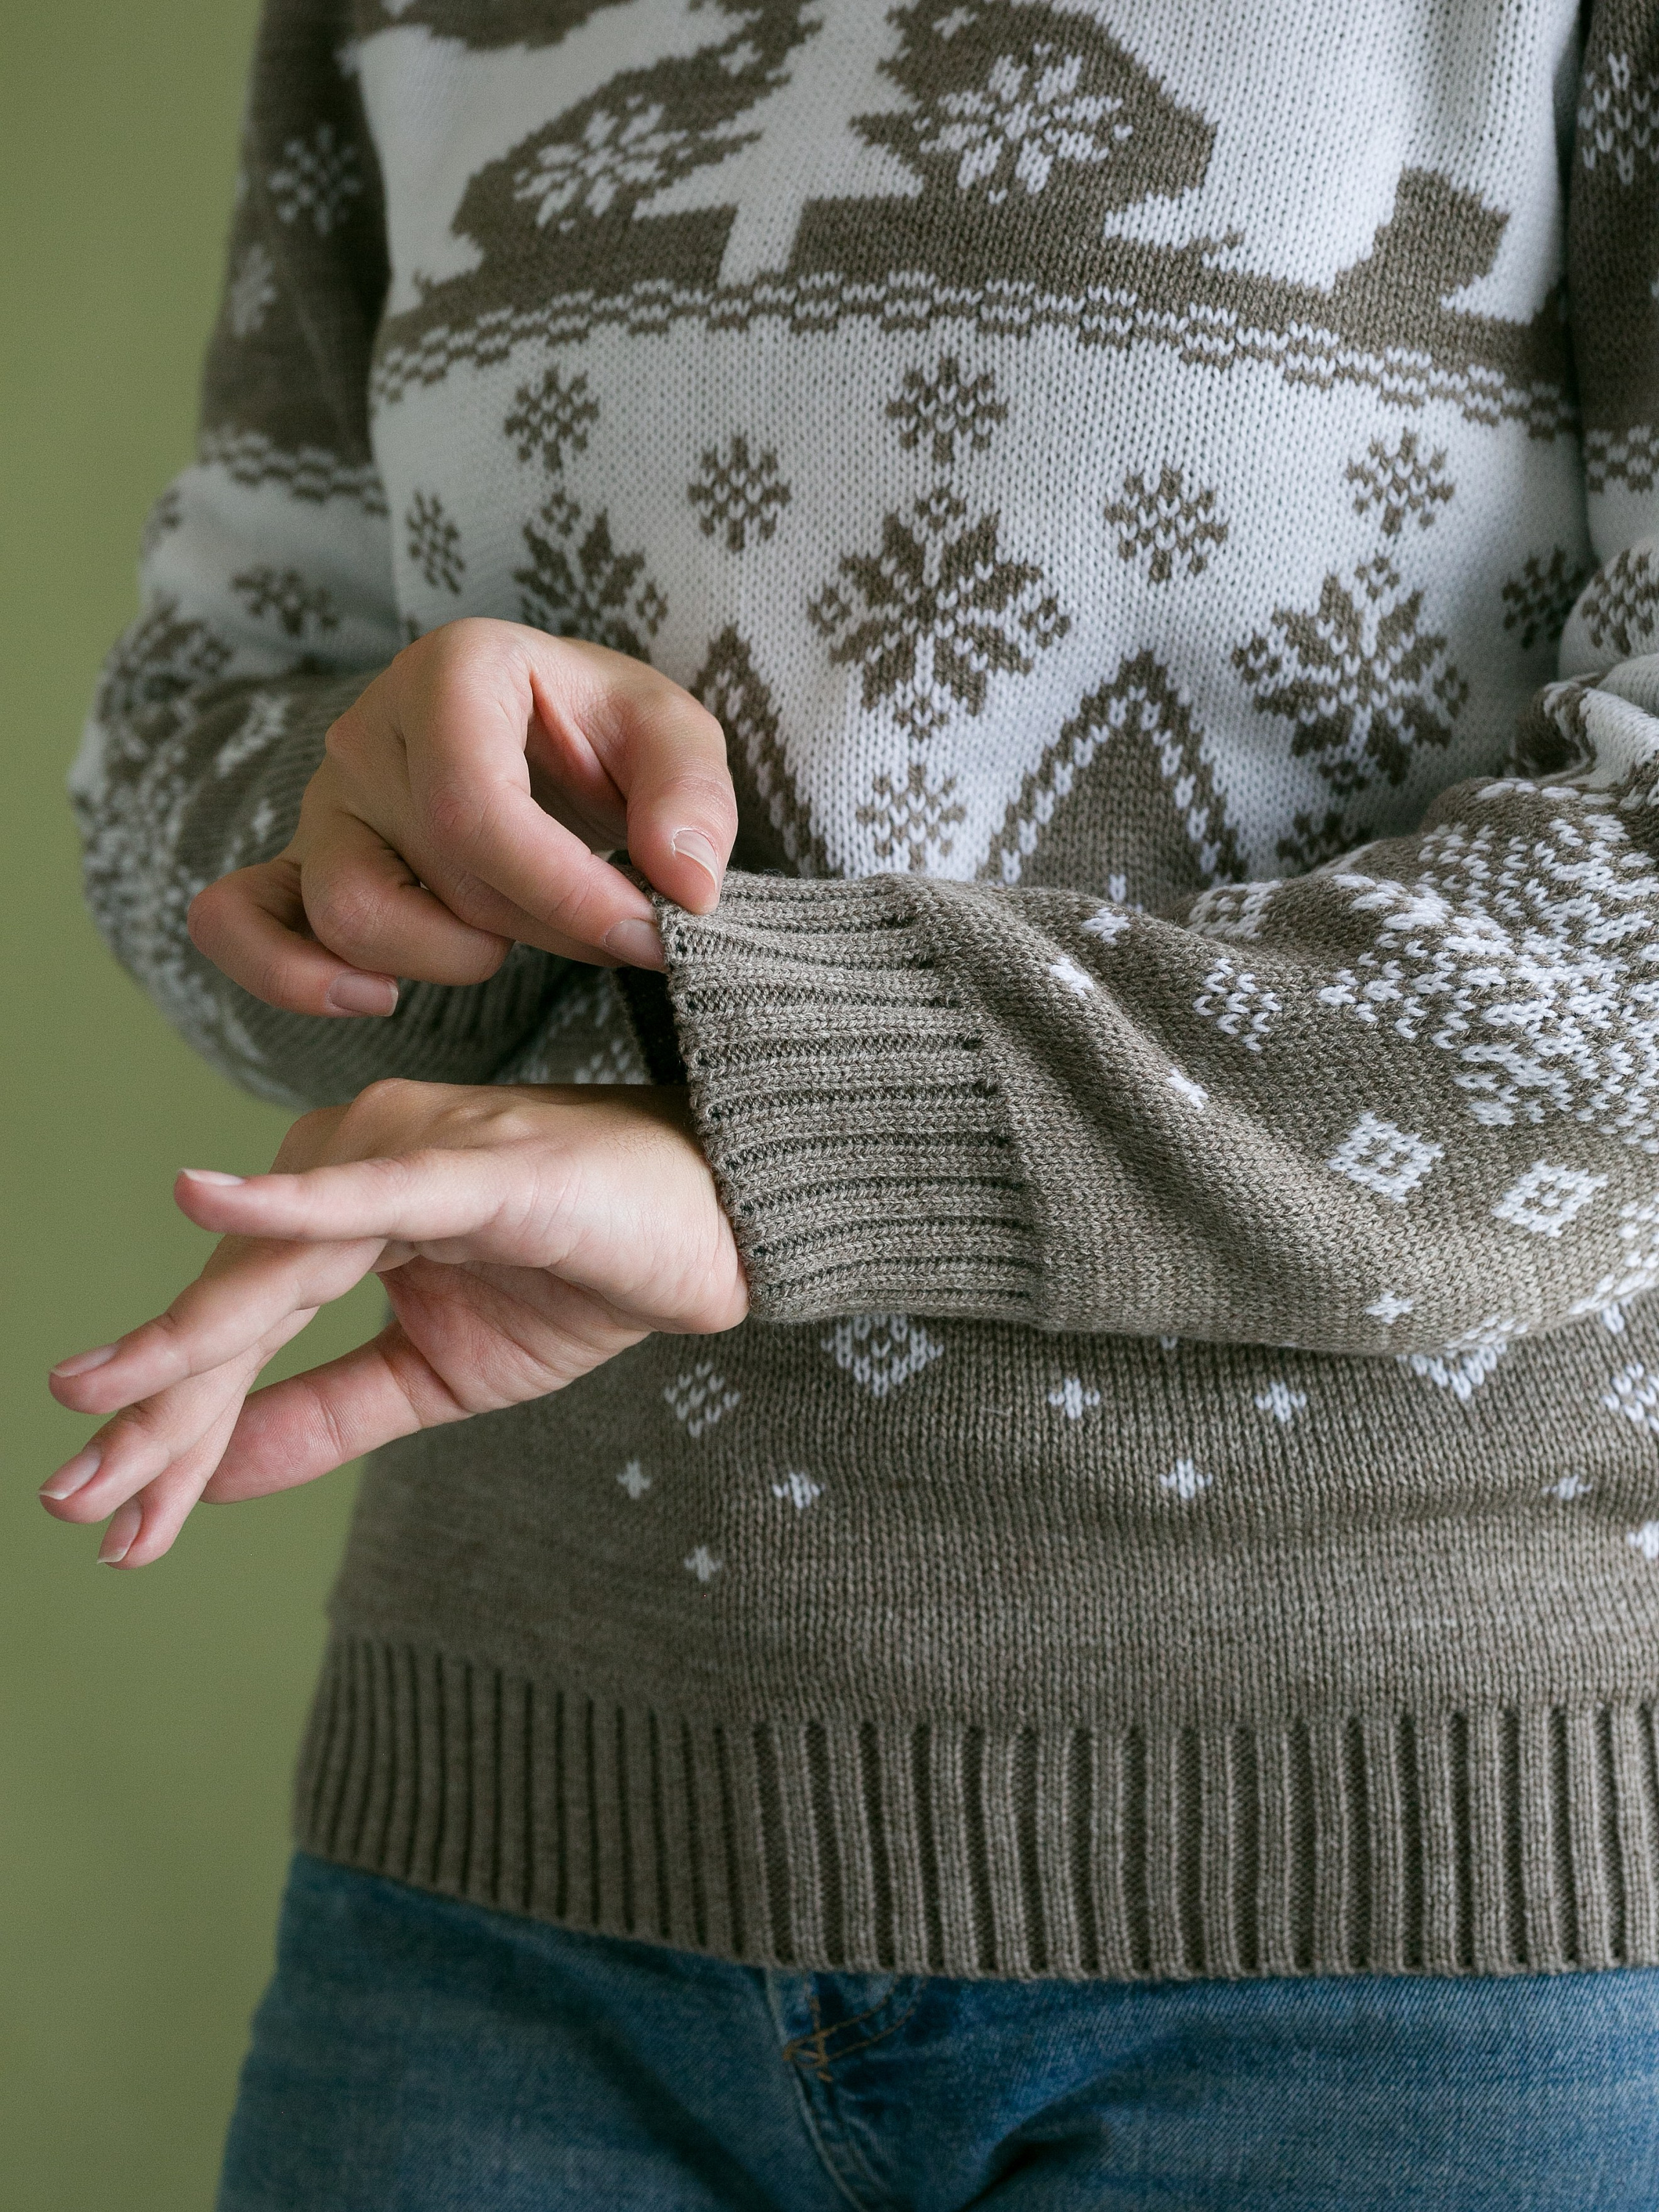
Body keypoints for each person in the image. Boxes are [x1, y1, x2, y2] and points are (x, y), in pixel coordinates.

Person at [41, 0, 1659, 2202]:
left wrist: (758, 1128)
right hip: (502, 1886)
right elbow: (188, 729)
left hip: (1405, 1932)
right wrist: (380, 841)